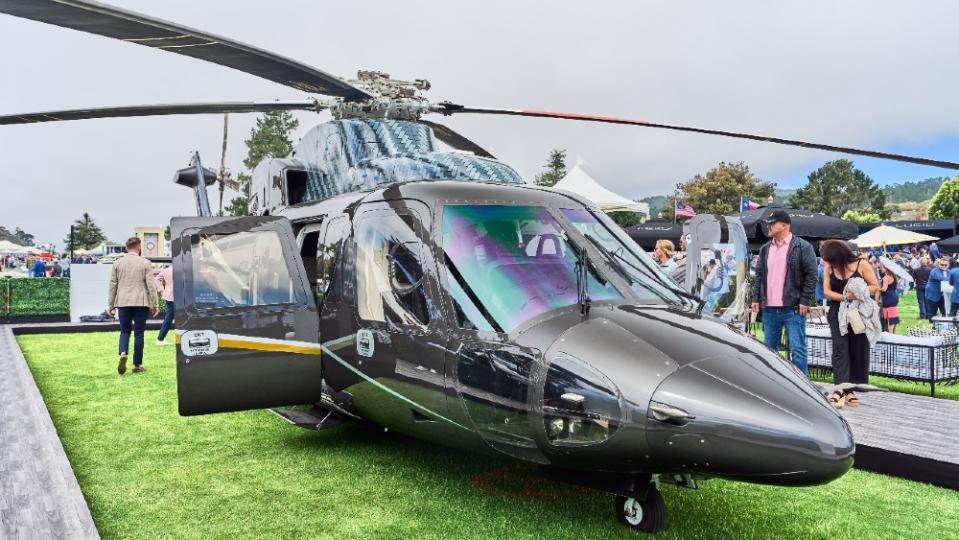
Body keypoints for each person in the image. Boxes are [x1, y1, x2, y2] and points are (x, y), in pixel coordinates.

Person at [750, 210, 817, 375]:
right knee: (769, 350)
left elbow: (812, 275)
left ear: (785, 225)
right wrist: (756, 298)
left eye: (772, 223)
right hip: (769, 308)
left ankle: (802, 387)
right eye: (768, 223)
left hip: (793, 307)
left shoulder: (802, 246)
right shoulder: (765, 248)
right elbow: (759, 276)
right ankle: (772, 384)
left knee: (798, 349)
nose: (769, 226)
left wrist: (804, 300)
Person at [821, 239, 879, 408]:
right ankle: (840, 389)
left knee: (857, 349)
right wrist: (845, 297)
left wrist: (859, 293)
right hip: (837, 312)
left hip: (858, 312)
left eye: (831, 260)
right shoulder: (829, 268)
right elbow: (827, 292)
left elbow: (875, 286)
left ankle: (850, 390)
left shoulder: (862, 265)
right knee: (840, 349)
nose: (829, 263)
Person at [107, 237, 159, 374]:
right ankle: (137, 365)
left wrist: (111, 305)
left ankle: (123, 353)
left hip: (123, 301)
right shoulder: (145, 263)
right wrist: (155, 304)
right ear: (139, 247)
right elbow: (151, 286)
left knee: (124, 331)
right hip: (141, 302)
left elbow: (113, 285)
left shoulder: (118, 263)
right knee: (139, 333)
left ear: (126, 247)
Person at [154, 264, 174, 346]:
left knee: (168, 318)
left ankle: (160, 338)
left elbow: (156, 279)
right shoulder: (184, 268)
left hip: (169, 296)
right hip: (177, 297)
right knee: (169, 318)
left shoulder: (168, 269)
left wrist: (161, 289)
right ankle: (160, 339)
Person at [876, 263, 899, 334]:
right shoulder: (894, 277)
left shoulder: (886, 277)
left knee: (890, 319)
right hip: (894, 297)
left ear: (886, 268)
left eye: (882, 267)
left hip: (888, 298)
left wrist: (877, 288)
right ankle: (893, 335)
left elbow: (884, 289)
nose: (881, 269)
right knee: (893, 317)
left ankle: (890, 335)